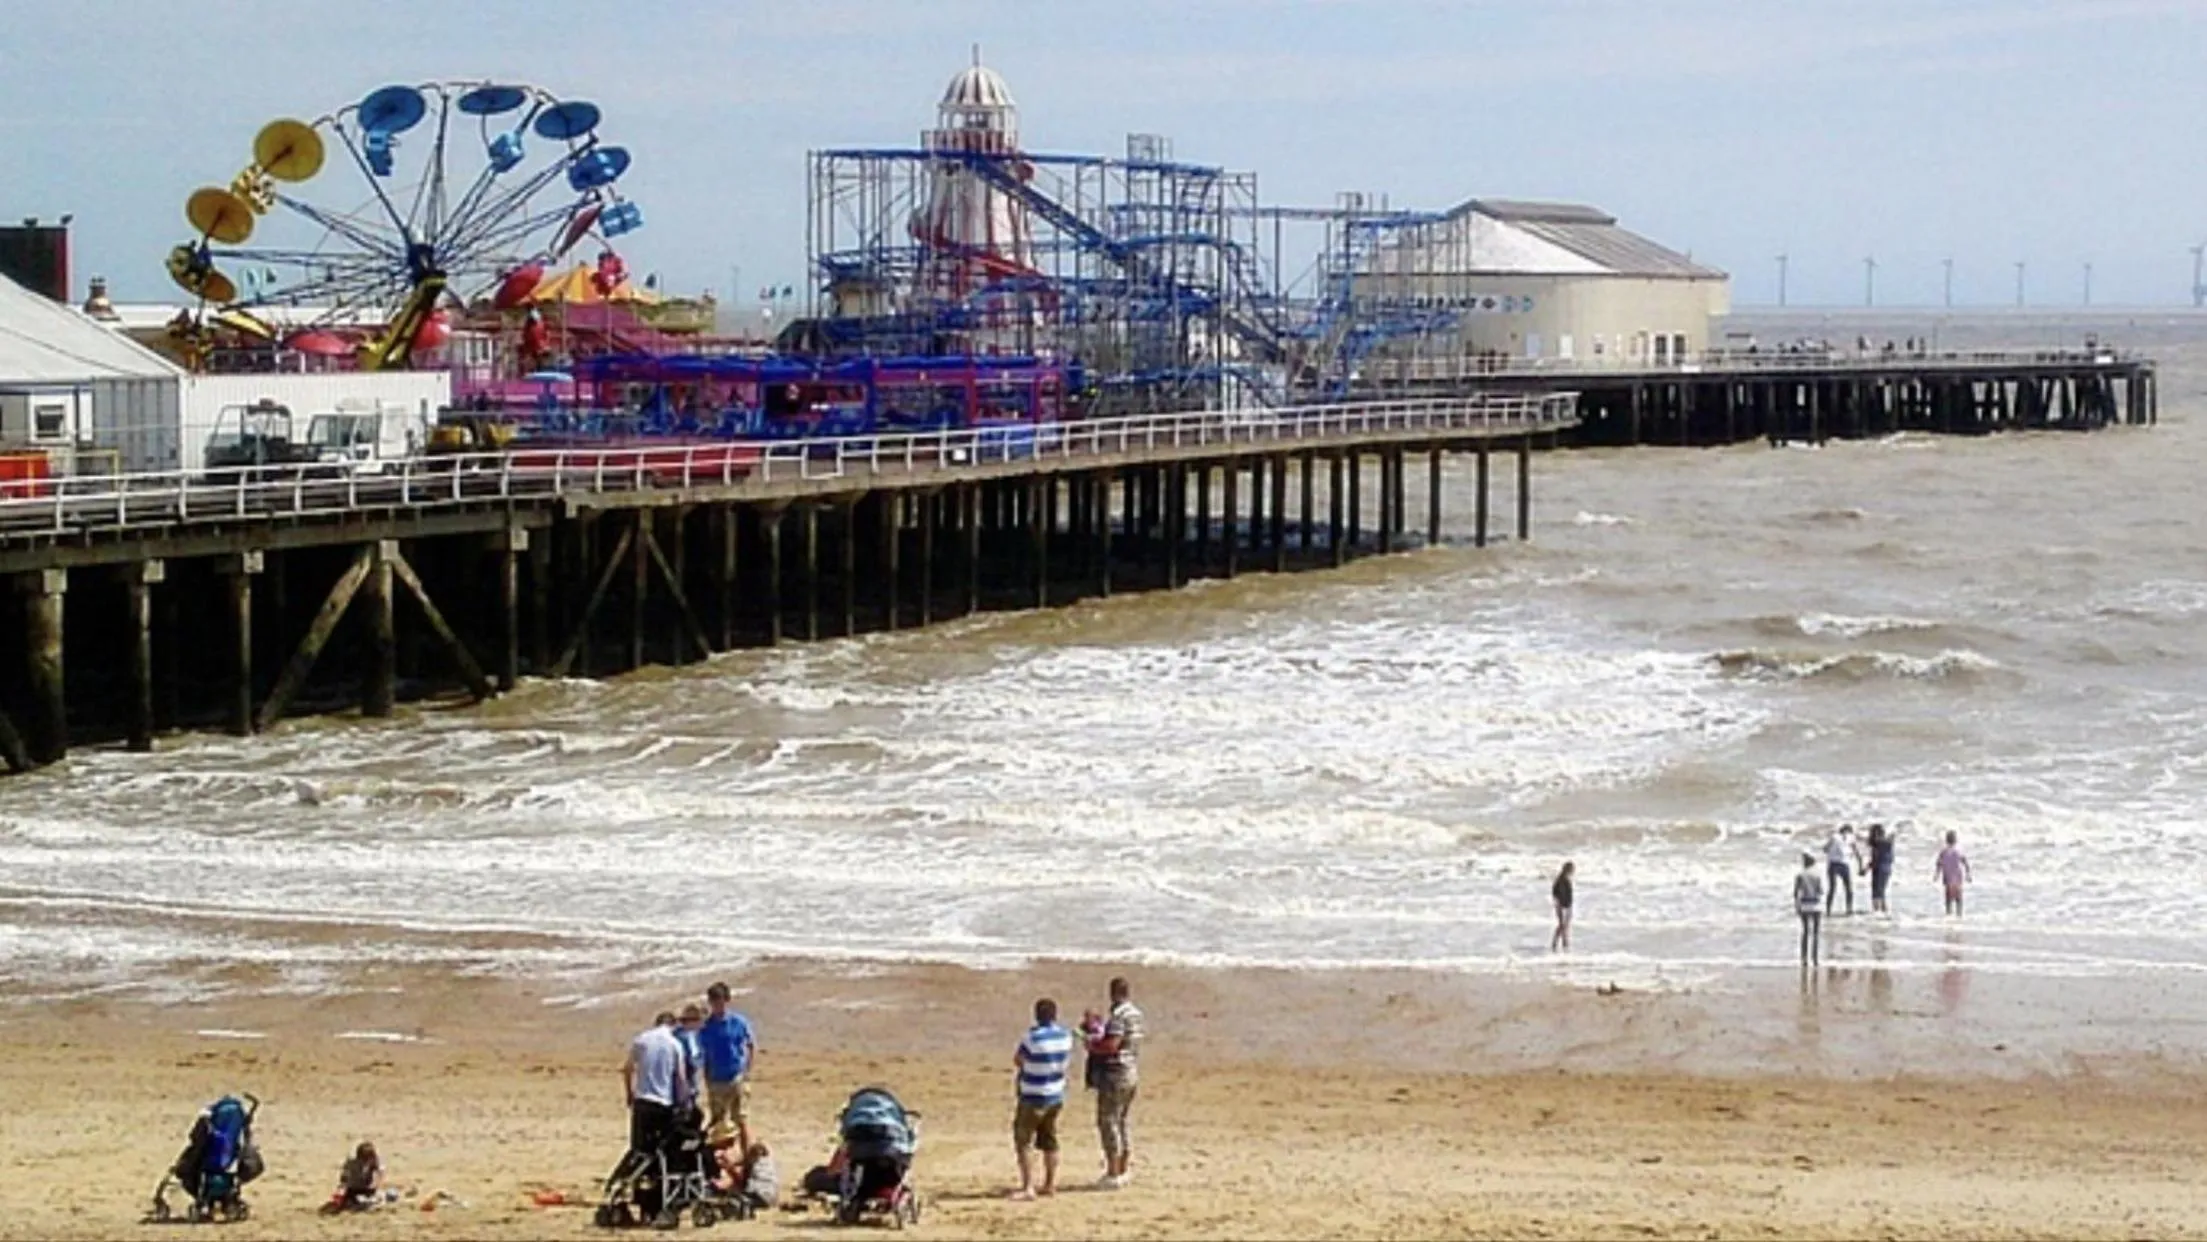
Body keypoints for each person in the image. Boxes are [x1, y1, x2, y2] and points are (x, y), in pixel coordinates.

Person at [1010, 997, 1073, 1201]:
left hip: (1033, 1094)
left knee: (1024, 1140)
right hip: (1055, 1093)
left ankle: (1028, 1186)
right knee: (1050, 1139)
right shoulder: (1065, 1036)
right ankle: (1050, 1183)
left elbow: (1018, 1060)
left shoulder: (1032, 1038)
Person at [1088, 977, 1144, 1189]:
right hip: (1131, 1070)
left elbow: (1112, 1045)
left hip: (1115, 1072)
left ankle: (1113, 1170)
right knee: (1122, 1120)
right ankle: (1123, 1167)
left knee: (1108, 1121)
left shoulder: (1119, 1016)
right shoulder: (1136, 1014)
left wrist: (1091, 1044)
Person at [697, 983, 757, 1154]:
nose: (716, 1005)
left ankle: (748, 1159)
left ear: (727, 1000)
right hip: (716, 1079)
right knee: (717, 1121)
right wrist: (706, 1077)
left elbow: (751, 1044)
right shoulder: (706, 1027)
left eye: (719, 1001)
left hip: (736, 1076)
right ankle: (717, 1159)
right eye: (713, 1001)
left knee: (741, 1120)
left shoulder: (738, 1022)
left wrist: (747, 1070)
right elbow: (702, 1053)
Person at [623, 1010, 689, 1157]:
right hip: (663, 1102)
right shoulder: (675, 1044)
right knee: (660, 1145)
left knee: (639, 1146)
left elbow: (628, 1069)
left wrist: (629, 1092)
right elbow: (681, 1077)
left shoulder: (642, 1039)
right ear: (672, 1025)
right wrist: (683, 1101)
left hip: (642, 1099)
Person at [320, 1141, 382, 1214]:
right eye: (365, 1159)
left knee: (377, 1199)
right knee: (351, 1202)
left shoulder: (374, 1160)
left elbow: (379, 1173)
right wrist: (342, 1187)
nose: (367, 1161)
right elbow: (344, 1175)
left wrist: (374, 1185)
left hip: (368, 1188)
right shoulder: (351, 1162)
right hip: (353, 1188)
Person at [1825, 825, 1863, 917]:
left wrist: (1860, 863)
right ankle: (1828, 910)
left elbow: (1856, 851)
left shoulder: (1850, 838)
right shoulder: (1834, 837)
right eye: (1847, 831)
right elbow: (1825, 849)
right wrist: (1831, 850)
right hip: (1834, 863)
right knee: (1832, 888)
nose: (1847, 833)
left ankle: (1849, 909)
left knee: (1848, 888)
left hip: (1844, 864)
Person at [1794, 852, 1825, 966]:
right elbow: (1820, 891)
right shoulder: (1817, 875)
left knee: (1805, 932)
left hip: (1805, 904)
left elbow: (1796, 893)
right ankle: (1815, 958)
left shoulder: (1800, 875)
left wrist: (1797, 906)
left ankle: (1804, 958)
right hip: (1816, 904)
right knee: (1816, 933)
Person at [1936, 830, 1973, 916]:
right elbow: (1965, 862)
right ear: (1955, 840)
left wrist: (1937, 874)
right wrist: (1968, 874)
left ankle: (1948, 915)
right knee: (1958, 899)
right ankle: (1959, 916)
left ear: (1946, 840)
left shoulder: (1943, 852)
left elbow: (1939, 864)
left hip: (1947, 878)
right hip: (1957, 878)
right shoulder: (1958, 851)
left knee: (1948, 899)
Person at [1866, 824, 1897, 914]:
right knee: (1882, 891)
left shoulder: (1877, 844)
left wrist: (1866, 869)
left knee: (1876, 892)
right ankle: (1884, 911)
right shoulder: (1888, 843)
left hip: (1879, 868)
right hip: (1887, 868)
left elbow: (1875, 859)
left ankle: (1877, 911)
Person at [1551, 861, 1576, 952]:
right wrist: (1560, 904)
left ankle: (1564, 943)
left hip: (1565, 905)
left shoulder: (1563, 879)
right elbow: (1557, 894)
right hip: (1562, 906)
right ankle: (1557, 943)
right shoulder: (1562, 880)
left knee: (1564, 925)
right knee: (1562, 925)